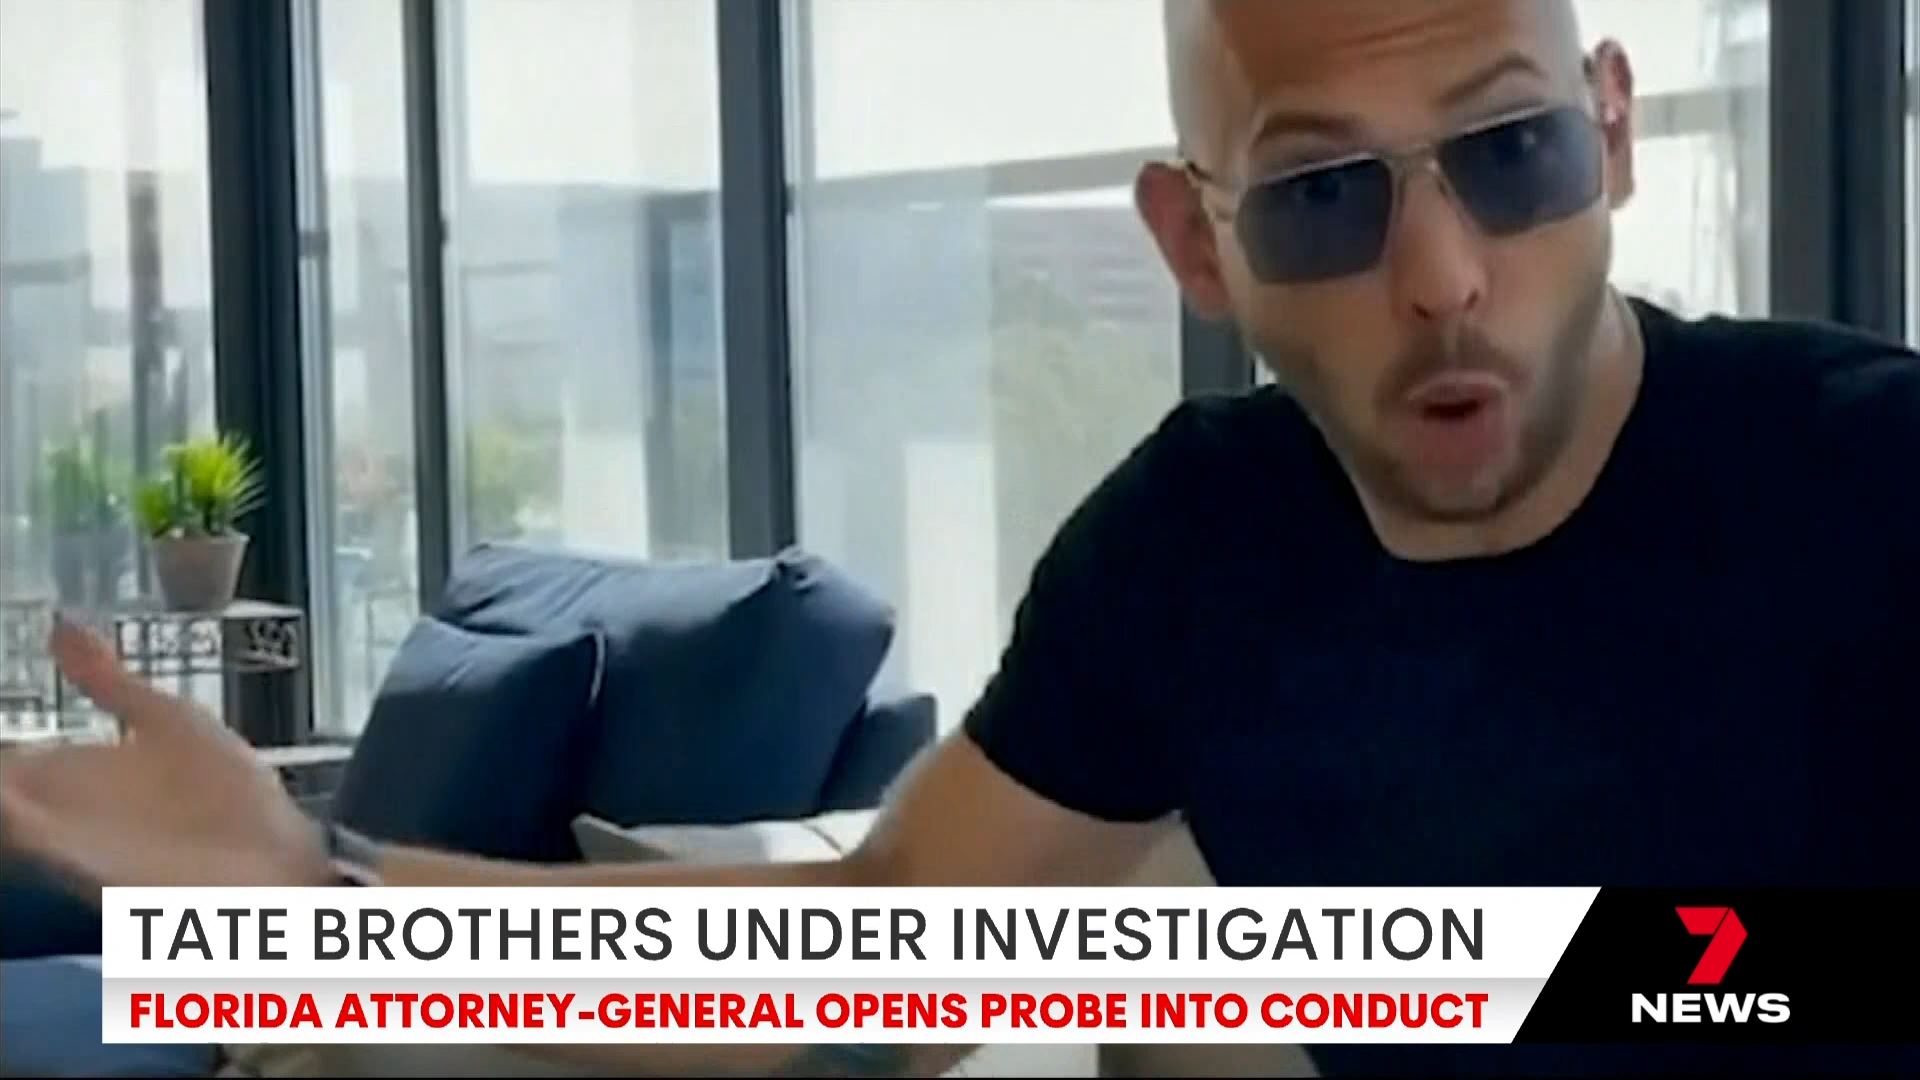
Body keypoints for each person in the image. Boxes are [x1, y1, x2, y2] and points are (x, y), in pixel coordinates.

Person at [5, 0, 1919, 1075]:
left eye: (1511, 153)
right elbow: (876, 973)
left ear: (1612, 135)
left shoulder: (1871, 484)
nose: (1442, 275)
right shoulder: (1195, 551)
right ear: (1195, 243)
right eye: (1326, 195)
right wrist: (310, 895)